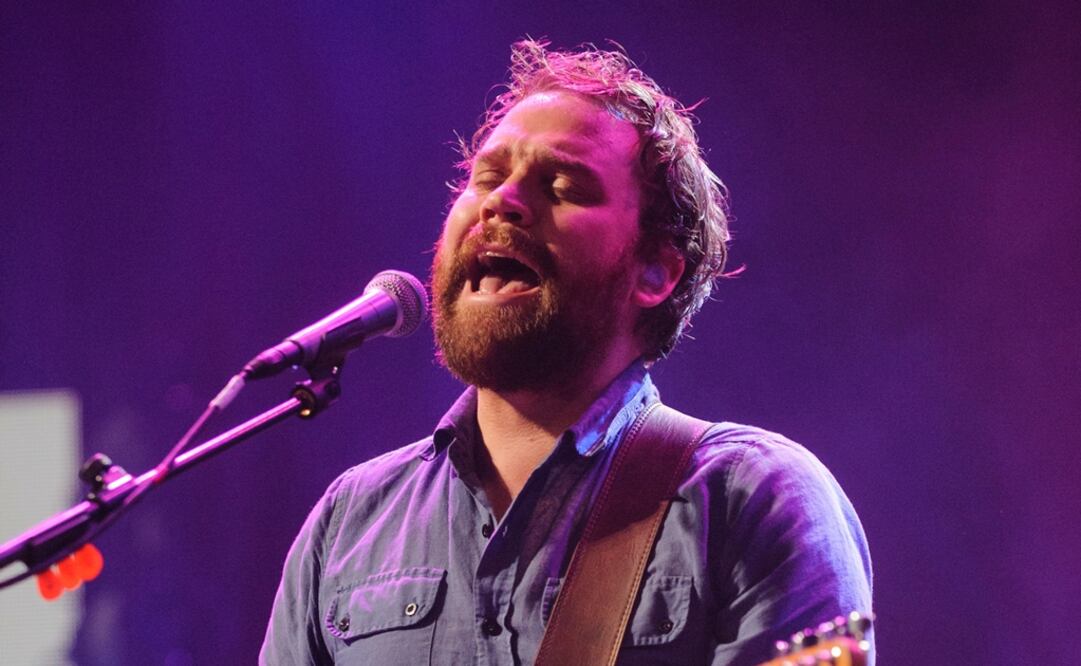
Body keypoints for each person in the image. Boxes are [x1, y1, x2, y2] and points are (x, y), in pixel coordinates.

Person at [260, 40, 873, 665]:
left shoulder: (751, 500)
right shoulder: (351, 524)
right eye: (487, 178)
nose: (501, 202)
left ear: (655, 273)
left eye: (562, 186)